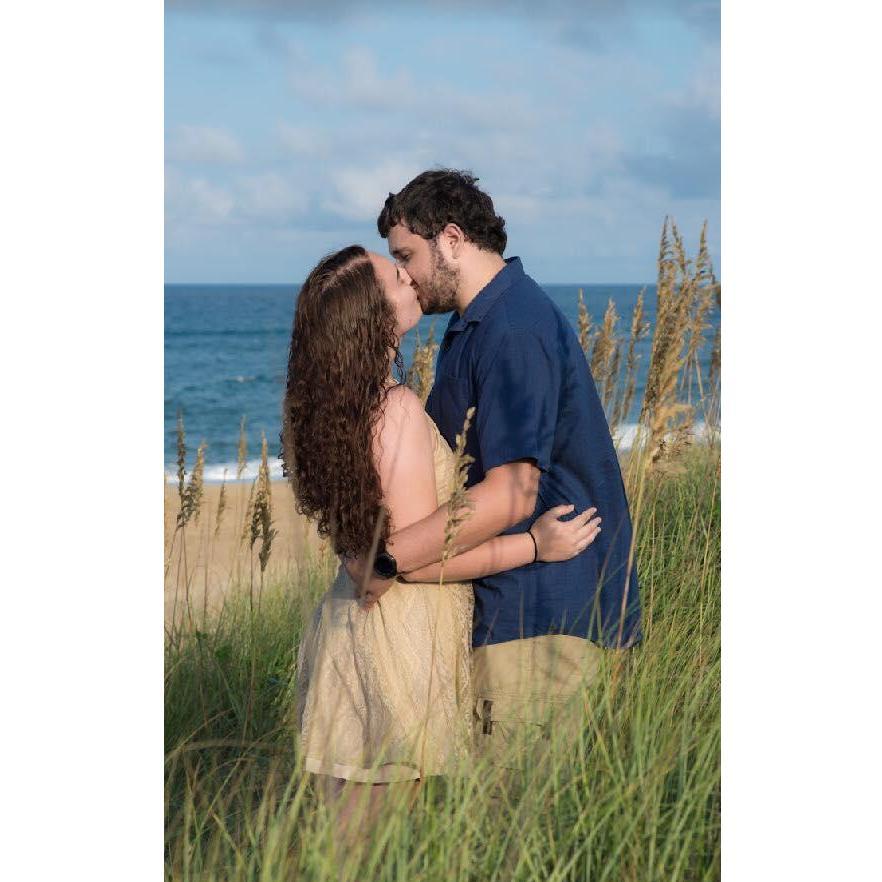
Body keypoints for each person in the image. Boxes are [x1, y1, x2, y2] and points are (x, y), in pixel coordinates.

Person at [281, 244, 601, 828]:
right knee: (373, 843)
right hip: (398, 634)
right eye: (395, 277)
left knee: (347, 840)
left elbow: (372, 545)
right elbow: (414, 562)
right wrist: (532, 545)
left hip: (349, 626)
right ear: (374, 319)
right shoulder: (394, 409)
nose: (409, 277)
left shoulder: (320, 410)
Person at [351, 169, 642, 765]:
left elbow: (512, 493)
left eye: (406, 256)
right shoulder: (477, 324)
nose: (403, 274)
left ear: (452, 239)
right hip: (516, 612)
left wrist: (387, 561)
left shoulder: (511, 328)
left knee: (519, 833)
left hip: (540, 618)